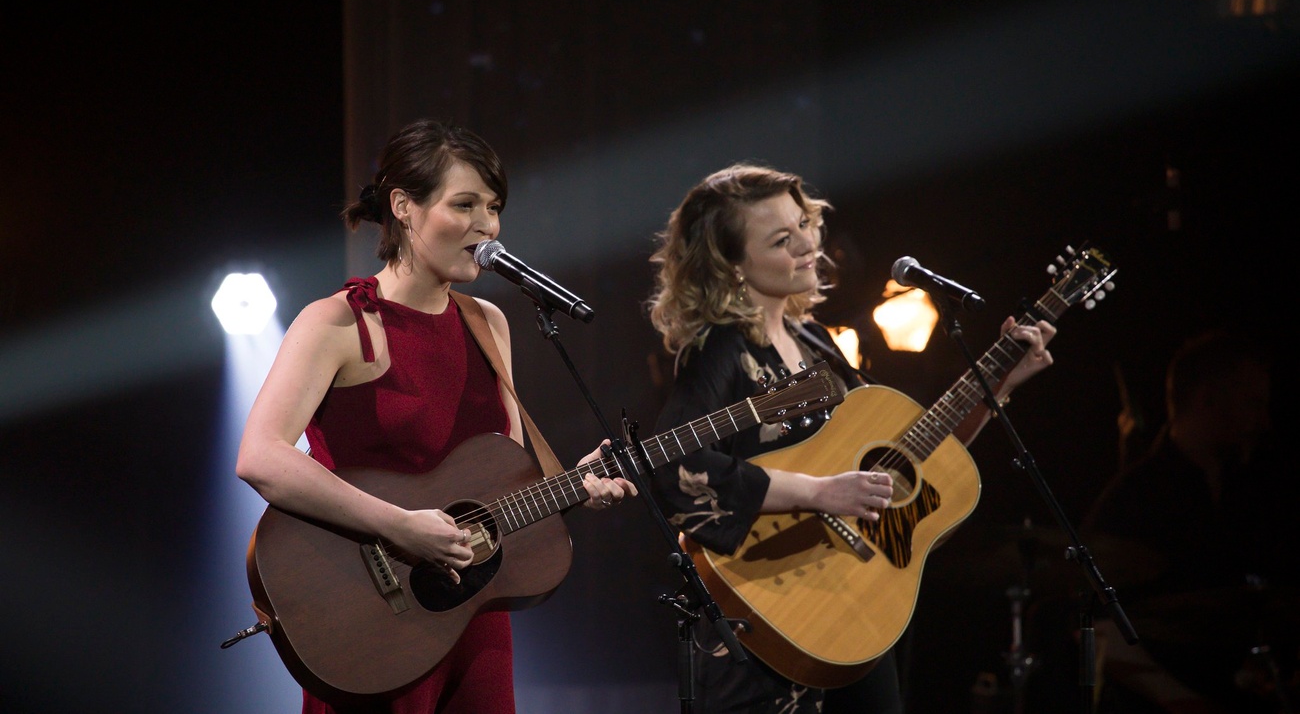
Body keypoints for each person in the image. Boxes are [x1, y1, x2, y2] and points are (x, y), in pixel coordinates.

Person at [235, 118, 637, 714]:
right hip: (369, 614)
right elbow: (260, 457)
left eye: (494, 207)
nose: (488, 226)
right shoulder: (338, 323)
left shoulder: (487, 323)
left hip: (471, 610)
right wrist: (400, 526)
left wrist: (576, 484)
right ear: (403, 206)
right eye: (466, 204)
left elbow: (505, 479)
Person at [643, 162, 1058, 713]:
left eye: (805, 226)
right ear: (733, 265)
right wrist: (819, 492)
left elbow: (906, 457)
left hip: (851, 602)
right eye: (781, 239)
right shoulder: (720, 348)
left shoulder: (815, 342)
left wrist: (997, 387)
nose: (808, 246)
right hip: (765, 611)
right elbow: (675, 464)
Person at [1080, 329, 1294, 714]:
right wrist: (1183, 701)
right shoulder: (1135, 496)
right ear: (1209, 398)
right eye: (1253, 403)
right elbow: (1095, 629)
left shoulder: (1254, 490)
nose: (1264, 421)